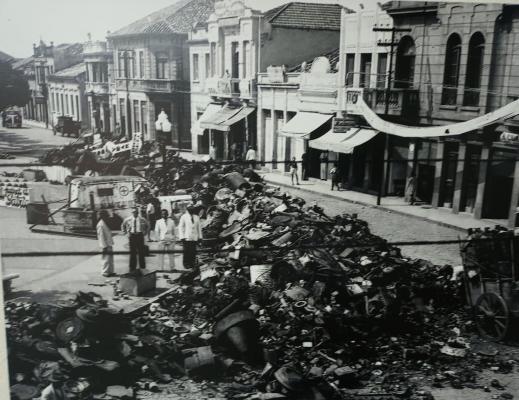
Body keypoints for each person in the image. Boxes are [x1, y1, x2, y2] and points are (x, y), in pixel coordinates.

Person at [122, 207, 149, 271]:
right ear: (132, 213)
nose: (135, 213)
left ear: (138, 212)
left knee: (141, 253)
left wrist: (145, 233)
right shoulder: (128, 219)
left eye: (136, 212)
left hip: (140, 236)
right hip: (132, 236)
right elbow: (123, 225)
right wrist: (126, 233)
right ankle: (132, 269)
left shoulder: (142, 219)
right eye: (134, 212)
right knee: (132, 253)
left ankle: (142, 268)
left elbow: (147, 226)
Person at [178, 204, 203, 269]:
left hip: (194, 237)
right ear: (187, 209)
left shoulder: (196, 217)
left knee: (193, 251)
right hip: (186, 237)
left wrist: (200, 237)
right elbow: (180, 227)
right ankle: (186, 264)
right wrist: (182, 237)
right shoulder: (184, 217)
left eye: (192, 209)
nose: (191, 210)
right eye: (190, 209)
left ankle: (192, 263)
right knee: (186, 251)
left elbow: (199, 228)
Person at [96, 210, 114, 277]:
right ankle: (105, 272)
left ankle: (110, 271)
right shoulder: (101, 225)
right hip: (105, 245)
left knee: (110, 259)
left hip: (109, 243)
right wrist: (104, 246)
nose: (107, 217)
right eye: (106, 216)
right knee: (105, 259)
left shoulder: (104, 223)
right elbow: (101, 236)